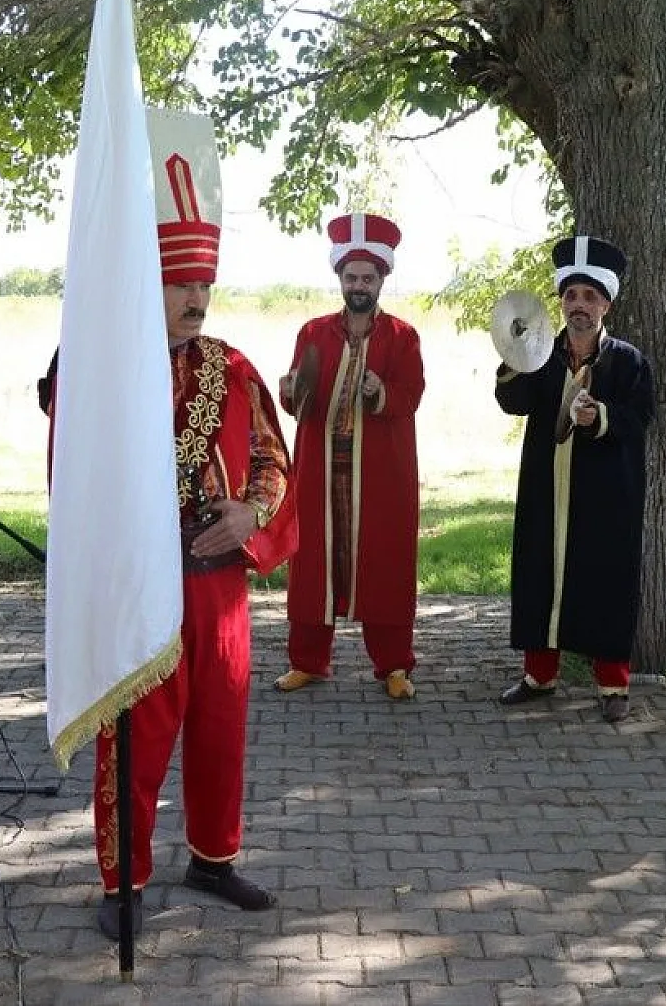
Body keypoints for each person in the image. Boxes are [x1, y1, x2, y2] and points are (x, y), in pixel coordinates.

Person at [46, 113, 295, 940]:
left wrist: (250, 512)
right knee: (138, 736)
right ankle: (124, 878)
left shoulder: (233, 365)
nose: (195, 299)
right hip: (142, 581)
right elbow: (73, 462)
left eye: (203, 285)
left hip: (220, 589)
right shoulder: (100, 364)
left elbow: (272, 459)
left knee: (222, 727)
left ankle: (214, 857)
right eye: (178, 283)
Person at [494, 235, 653, 723]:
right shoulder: (540, 354)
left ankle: (612, 685)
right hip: (546, 487)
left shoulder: (628, 361)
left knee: (605, 580)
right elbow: (512, 402)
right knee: (540, 574)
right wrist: (513, 356)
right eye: (570, 295)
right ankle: (539, 676)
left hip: (605, 495)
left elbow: (640, 418)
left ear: (606, 304)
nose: (578, 305)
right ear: (561, 302)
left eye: (589, 296)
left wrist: (599, 417)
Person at [274, 213, 425, 700]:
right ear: (339, 277)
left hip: (380, 471)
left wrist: (382, 392)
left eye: (368, 278)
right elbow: (299, 397)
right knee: (313, 562)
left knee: (385, 561)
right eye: (351, 277)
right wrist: (289, 390)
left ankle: (394, 665)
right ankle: (307, 662)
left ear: (382, 280)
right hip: (320, 468)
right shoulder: (313, 332)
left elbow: (411, 394)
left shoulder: (403, 337)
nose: (359, 286)